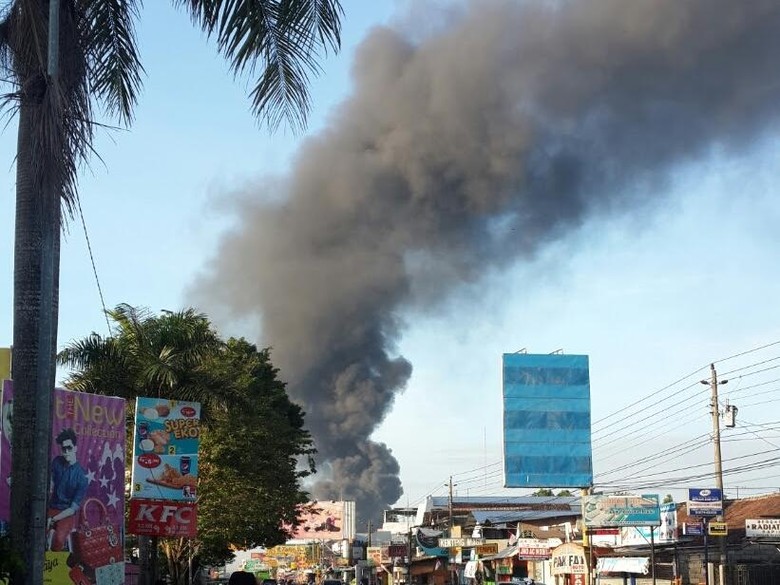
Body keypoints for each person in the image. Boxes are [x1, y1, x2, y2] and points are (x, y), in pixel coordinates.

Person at [47, 428, 88, 551]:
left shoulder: (81, 477)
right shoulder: (57, 462)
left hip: (65, 513)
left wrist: (53, 519)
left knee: (58, 541)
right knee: (35, 533)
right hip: (50, 507)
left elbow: (72, 509)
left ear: (75, 448)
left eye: (69, 448)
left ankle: (53, 566)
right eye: (63, 449)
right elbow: (49, 482)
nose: (66, 452)